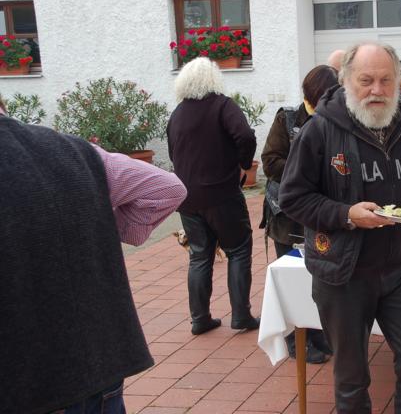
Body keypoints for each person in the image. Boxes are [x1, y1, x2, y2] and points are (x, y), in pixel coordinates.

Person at [279, 42, 401, 413]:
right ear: (346, 80)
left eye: (386, 80)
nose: (377, 90)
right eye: (366, 80)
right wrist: (346, 214)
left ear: (399, 81)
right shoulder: (320, 129)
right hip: (343, 274)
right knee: (351, 378)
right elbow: (293, 198)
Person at [0, 102, 187, 414]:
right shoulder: (75, 150)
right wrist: (94, 226)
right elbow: (165, 188)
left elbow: (166, 189)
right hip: (99, 365)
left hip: (26, 382)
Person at [167, 57, 260, 335]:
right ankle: (241, 315)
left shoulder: (178, 113)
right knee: (238, 249)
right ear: (213, 79)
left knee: (199, 255)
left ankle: (200, 318)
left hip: (187, 197)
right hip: (221, 194)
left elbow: (173, 152)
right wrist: (244, 164)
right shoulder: (223, 105)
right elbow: (245, 136)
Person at [260, 64, 338, 364]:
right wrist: (305, 170)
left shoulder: (335, 119)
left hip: (318, 213)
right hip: (287, 215)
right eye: (326, 96)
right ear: (312, 94)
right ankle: (295, 341)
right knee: (293, 281)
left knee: (317, 278)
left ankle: (317, 334)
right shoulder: (288, 118)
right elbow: (270, 161)